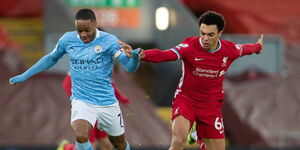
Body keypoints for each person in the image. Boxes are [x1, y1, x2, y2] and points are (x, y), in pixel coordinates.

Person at [119, 10, 264, 150]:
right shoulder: (189, 47)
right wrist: (143, 54)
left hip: (211, 106)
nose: (205, 38)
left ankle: (197, 134)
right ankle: (195, 132)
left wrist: (258, 46)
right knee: (178, 142)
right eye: (203, 33)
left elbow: (247, 48)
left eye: (210, 35)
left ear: (220, 34)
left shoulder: (230, 50)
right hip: (186, 100)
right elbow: (165, 54)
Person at [9, 8, 141, 150]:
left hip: (107, 102)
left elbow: (129, 67)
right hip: (81, 100)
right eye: (79, 30)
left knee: (118, 144)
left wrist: (134, 58)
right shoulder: (67, 39)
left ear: (95, 24)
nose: (83, 34)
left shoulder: (109, 41)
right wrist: (25, 75)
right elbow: (51, 58)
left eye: (87, 30)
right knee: (81, 135)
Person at [58, 72, 131, 150]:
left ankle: (67, 147)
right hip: (88, 110)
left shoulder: (105, 66)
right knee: (91, 144)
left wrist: (124, 100)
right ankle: (66, 148)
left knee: (107, 144)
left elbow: (110, 86)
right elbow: (67, 83)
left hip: (101, 110)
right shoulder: (84, 65)